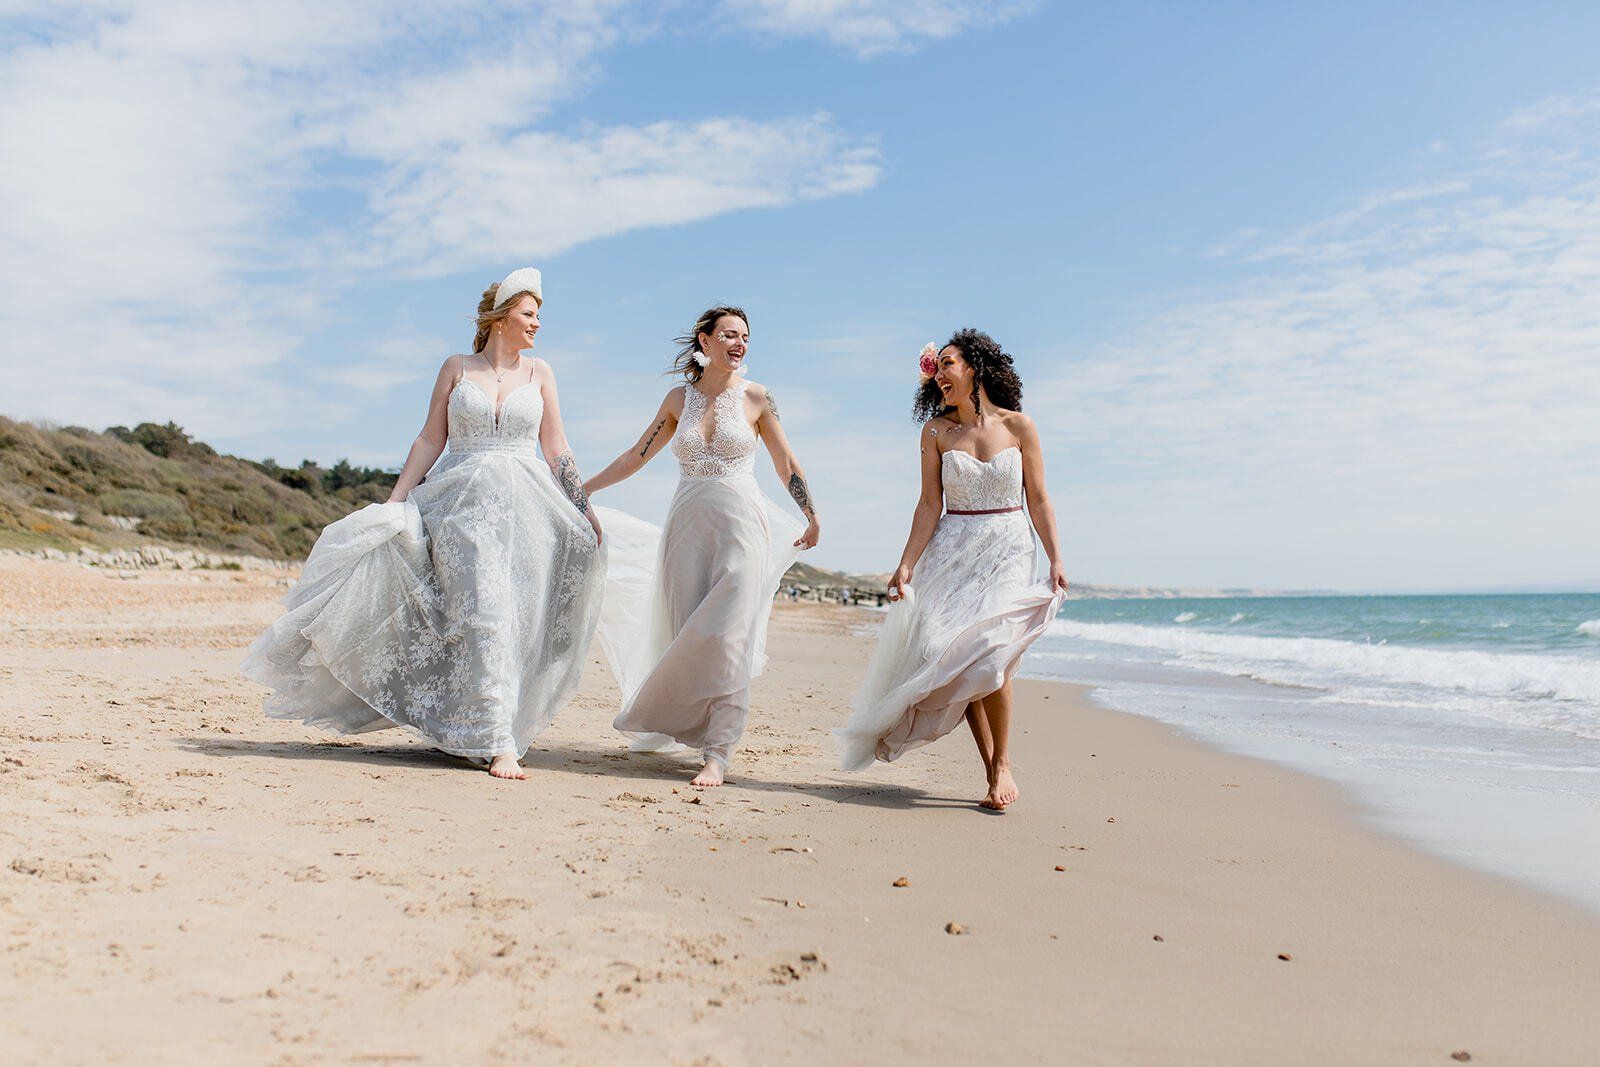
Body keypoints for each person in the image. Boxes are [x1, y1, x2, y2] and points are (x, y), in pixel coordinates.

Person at [242, 268, 604, 780]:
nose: (537, 323)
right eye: (529, 313)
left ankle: (486, 727)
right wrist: (395, 503)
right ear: (500, 318)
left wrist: (582, 506)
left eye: (539, 315)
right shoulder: (457, 367)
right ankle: (497, 740)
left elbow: (556, 446)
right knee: (481, 611)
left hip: (527, 509)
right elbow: (430, 439)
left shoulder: (540, 373)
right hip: (461, 505)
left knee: (511, 615)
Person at [587, 306, 819, 787]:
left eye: (746, 338)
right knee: (686, 629)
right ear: (705, 340)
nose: (740, 344)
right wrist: (585, 490)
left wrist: (811, 514)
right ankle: (692, 726)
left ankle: (718, 750)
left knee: (730, 634)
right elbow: (637, 454)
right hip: (687, 524)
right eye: (731, 335)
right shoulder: (679, 399)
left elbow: (786, 462)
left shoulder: (757, 398)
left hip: (741, 523)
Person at [835, 330, 1067, 809]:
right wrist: (905, 564)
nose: (940, 373)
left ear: (975, 368)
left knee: (990, 654)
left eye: (948, 363)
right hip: (952, 549)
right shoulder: (936, 432)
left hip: (1007, 548)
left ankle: (1003, 763)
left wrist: (1056, 558)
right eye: (935, 367)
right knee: (952, 655)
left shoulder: (1020, 427)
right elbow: (927, 504)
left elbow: (1039, 499)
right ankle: (992, 771)